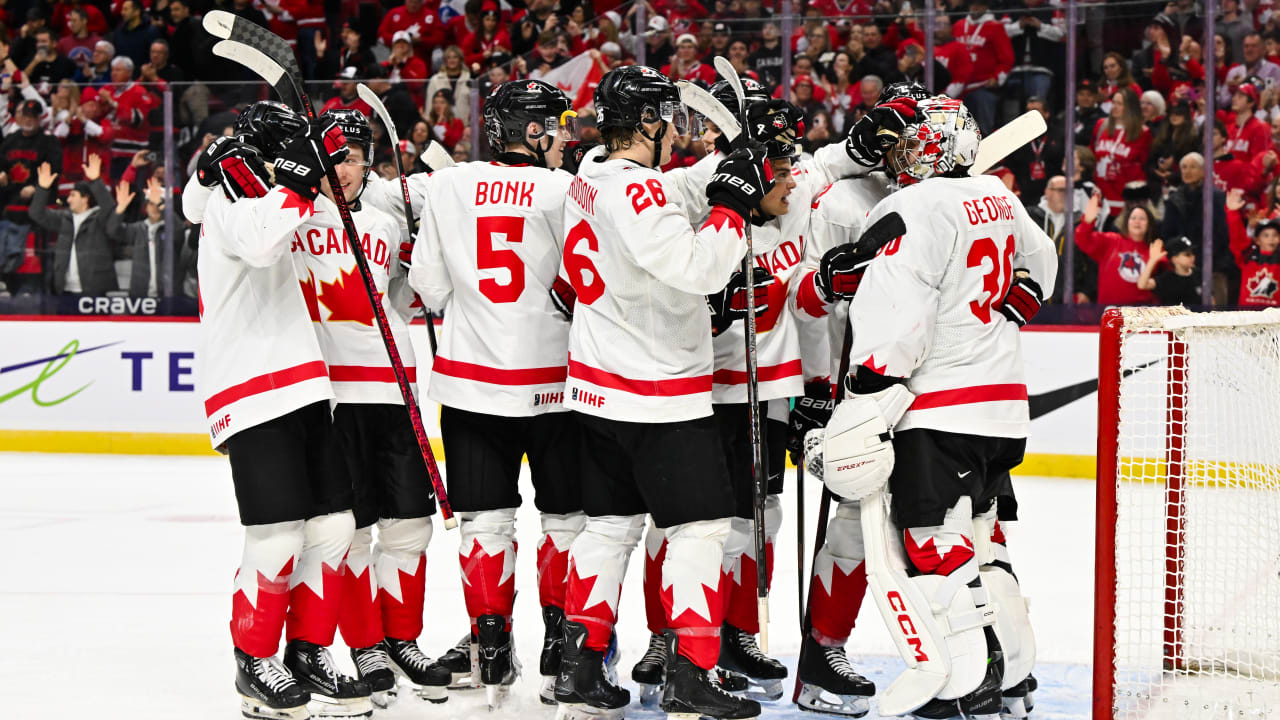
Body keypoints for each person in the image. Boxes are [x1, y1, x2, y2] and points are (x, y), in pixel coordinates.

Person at [805, 94, 1052, 718]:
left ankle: (963, 685)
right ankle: (1014, 676)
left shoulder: (907, 206)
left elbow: (897, 322)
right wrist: (1012, 307)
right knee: (982, 539)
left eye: (911, 143)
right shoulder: (997, 193)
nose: (900, 155)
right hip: (1001, 403)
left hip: (938, 405)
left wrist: (863, 406)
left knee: (932, 544)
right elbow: (1041, 260)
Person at [550, 64, 768, 720]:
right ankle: (692, 672)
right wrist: (731, 204)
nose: (675, 130)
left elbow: (659, 192)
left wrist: (720, 168)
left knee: (609, 528)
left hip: (596, 391)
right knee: (701, 529)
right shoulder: (636, 193)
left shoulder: (590, 174)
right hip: (658, 394)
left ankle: (580, 668)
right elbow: (698, 268)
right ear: (647, 122)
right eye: (668, 120)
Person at [181, 101, 372, 719]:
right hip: (250, 385)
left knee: (335, 525)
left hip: (302, 382)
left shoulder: (258, 191)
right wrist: (289, 175)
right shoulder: (230, 201)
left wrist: (309, 166)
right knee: (276, 533)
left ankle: (308, 652)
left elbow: (295, 206)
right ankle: (253, 662)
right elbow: (260, 240)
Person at [407, 80, 583, 707]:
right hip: (558, 386)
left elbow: (426, 286)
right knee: (567, 519)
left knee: (485, 522)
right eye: (557, 126)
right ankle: (563, 644)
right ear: (532, 133)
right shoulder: (570, 189)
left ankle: (491, 643)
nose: (565, 136)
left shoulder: (450, 184)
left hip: (471, 382)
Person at [31, 155, 115, 296]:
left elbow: (110, 208)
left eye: (72, 195)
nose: (68, 199)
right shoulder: (64, 218)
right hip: (65, 290)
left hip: (94, 290)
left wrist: (95, 181)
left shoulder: (99, 218)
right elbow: (36, 214)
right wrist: (42, 189)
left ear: (85, 198)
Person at [1076, 190, 1160, 306]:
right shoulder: (1111, 241)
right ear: (1127, 222)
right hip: (1109, 310)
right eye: (1133, 218)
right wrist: (1087, 222)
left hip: (1142, 313)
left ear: (1149, 224)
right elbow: (1082, 240)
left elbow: (1162, 283)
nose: (1137, 222)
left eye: (1142, 218)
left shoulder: (1155, 250)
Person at [1026, 175, 1096, 303]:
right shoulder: (1029, 217)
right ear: (1047, 192)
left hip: (1070, 297)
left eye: (1069, 191)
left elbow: (1092, 259)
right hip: (1032, 293)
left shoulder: (1081, 221)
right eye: (1061, 190)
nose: (1066, 195)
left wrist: (1087, 291)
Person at [954, 0, 1013, 134]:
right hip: (958, 88)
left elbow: (1007, 58)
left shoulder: (995, 27)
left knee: (983, 130)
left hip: (982, 87)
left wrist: (997, 78)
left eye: (979, 4)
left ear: (986, 7)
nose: (975, 7)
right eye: (973, 4)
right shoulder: (959, 25)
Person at [1092, 87, 1150, 219]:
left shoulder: (1143, 133)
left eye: (1119, 103)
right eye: (1113, 102)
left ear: (1131, 107)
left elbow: (1144, 166)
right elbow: (1091, 156)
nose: (1114, 107)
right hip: (1100, 200)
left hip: (1125, 203)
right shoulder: (1101, 125)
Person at [105, 174, 167, 298]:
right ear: (145, 207)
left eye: (158, 203)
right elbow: (113, 231)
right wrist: (120, 209)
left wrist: (162, 205)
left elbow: (178, 230)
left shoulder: (172, 228)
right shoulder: (138, 229)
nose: (154, 208)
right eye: (150, 204)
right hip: (139, 296)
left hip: (168, 297)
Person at [1226, 187, 1280, 306]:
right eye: (1266, 235)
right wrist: (1232, 213)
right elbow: (1237, 237)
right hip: (1247, 318)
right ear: (1257, 240)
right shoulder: (1247, 255)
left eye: (1275, 235)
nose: (1271, 238)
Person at [1136, 235, 1201, 306]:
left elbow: (1210, 298)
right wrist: (1152, 260)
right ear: (1174, 259)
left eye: (1193, 253)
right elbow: (1142, 285)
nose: (1193, 257)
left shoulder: (1199, 274)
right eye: (1187, 254)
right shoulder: (1167, 279)